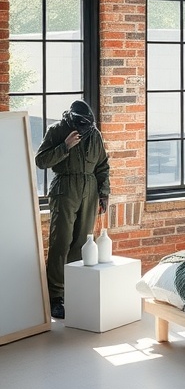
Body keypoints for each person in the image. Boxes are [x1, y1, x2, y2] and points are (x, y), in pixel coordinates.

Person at [35, 100, 110, 319]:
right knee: (61, 241)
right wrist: (64, 146)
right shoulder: (58, 130)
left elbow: (102, 165)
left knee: (84, 241)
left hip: (90, 189)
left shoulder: (94, 134)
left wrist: (104, 193)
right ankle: (55, 296)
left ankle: (75, 289)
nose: (87, 128)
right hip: (65, 188)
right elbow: (41, 160)